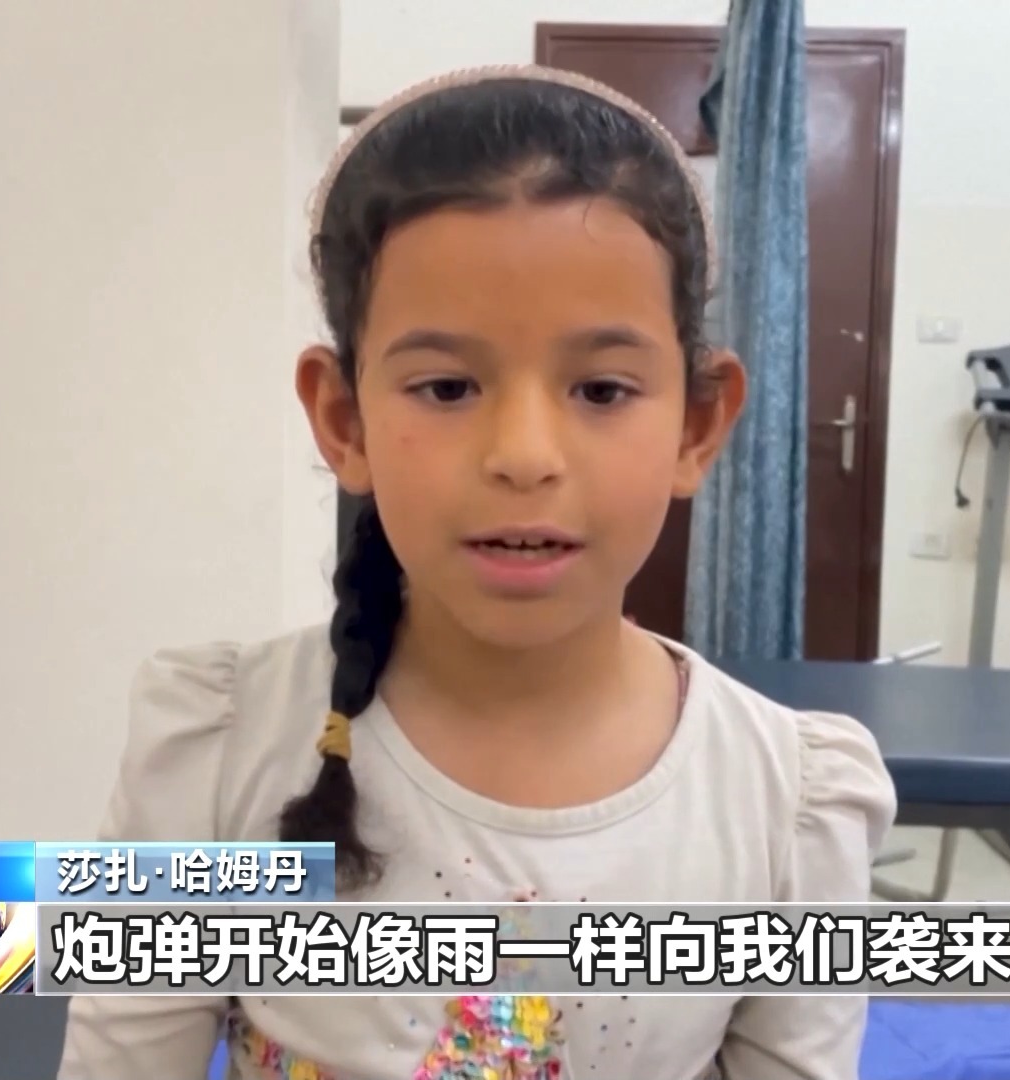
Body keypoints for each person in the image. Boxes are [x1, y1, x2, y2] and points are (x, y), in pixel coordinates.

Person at [58, 64, 895, 1080]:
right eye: (448, 387)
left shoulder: (787, 804)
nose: (524, 455)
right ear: (344, 419)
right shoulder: (220, 752)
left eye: (601, 389)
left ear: (697, 423)